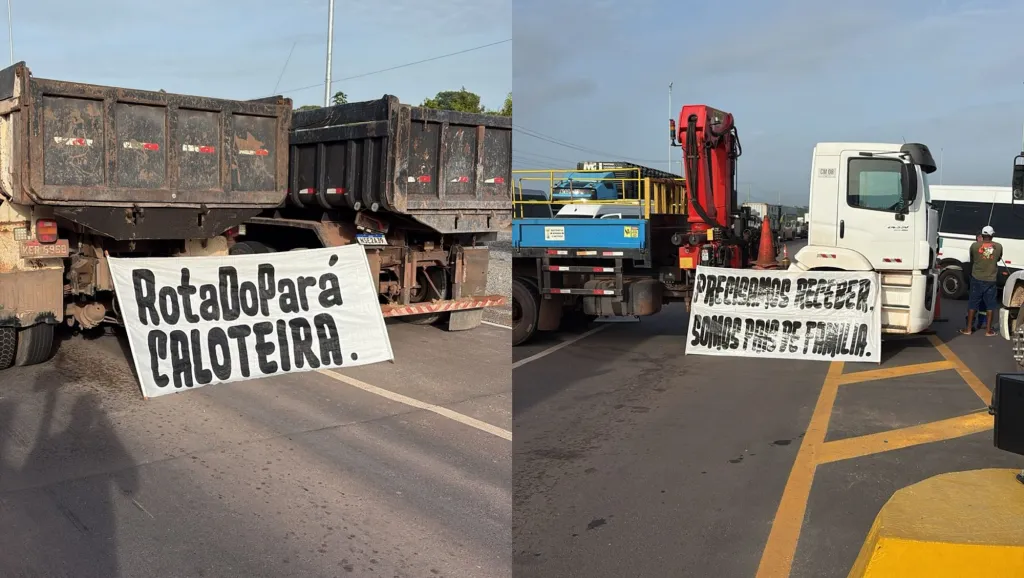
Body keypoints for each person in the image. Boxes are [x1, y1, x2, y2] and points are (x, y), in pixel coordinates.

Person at [961, 225, 1002, 336]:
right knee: (990, 305)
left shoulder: (974, 246)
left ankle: (968, 329)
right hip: (991, 280)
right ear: (992, 235)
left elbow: (972, 259)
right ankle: (988, 331)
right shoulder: (998, 247)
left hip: (976, 279)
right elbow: (998, 258)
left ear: (982, 235)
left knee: (973, 304)